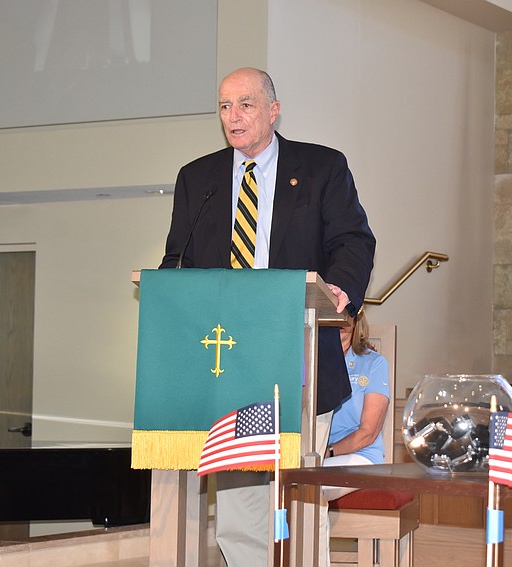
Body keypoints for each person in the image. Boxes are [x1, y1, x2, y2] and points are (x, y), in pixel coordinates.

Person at [158, 67, 376, 567]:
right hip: (227, 360)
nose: (233, 116)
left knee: (299, 498)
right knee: (239, 503)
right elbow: (177, 260)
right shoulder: (198, 178)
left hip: (299, 353)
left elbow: (353, 240)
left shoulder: (321, 167)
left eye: (246, 104)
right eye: (224, 106)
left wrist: (339, 290)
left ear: (273, 111)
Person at [319, 309, 390, 559]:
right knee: (284, 486)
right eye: (334, 315)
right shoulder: (312, 359)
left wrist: (328, 452)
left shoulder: (373, 363)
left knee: (307, 488)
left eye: (348, 314)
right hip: (315, 457)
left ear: (357, 319)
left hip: (362, 458)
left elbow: (368, 433)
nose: (342, 321)